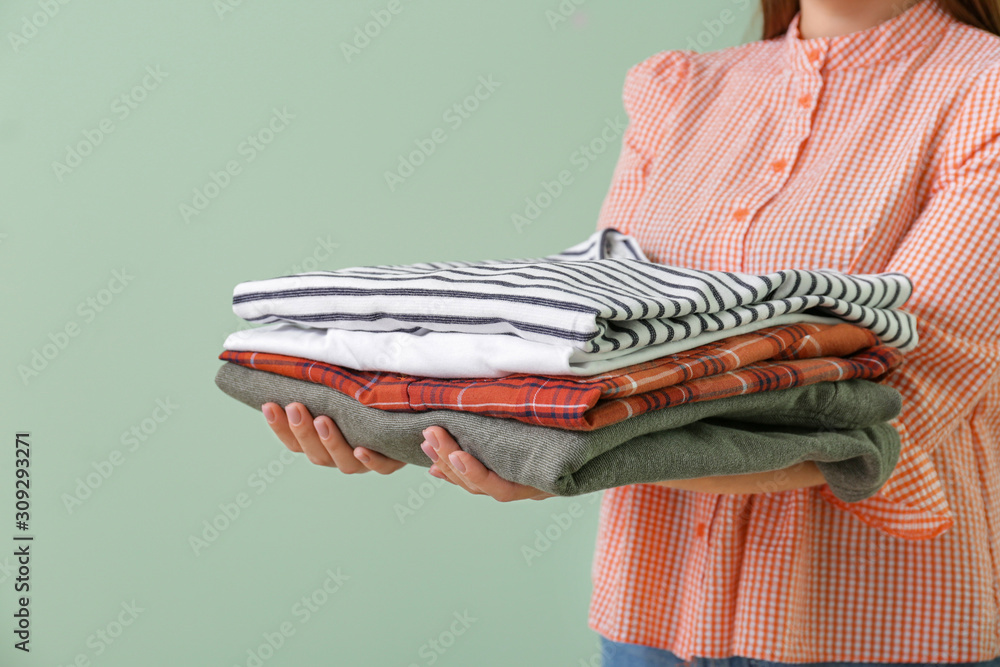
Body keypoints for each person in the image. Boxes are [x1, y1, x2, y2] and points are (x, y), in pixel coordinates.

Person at [260, 0, 1000, 663]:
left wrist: (551, 450)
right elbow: (602, 335)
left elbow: (897, 400)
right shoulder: (680, 90)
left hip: (872, 619)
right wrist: (412, 420)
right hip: (649, 614)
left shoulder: (986, 90)